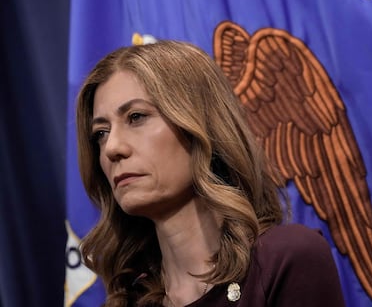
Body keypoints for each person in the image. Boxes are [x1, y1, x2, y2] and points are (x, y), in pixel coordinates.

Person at [76, 40, 346, 307]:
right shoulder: (128, 300)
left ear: (201, 125)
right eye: (101, 133)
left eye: (136, 117)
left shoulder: (287, 259)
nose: (112, 148)